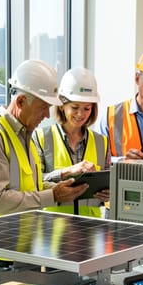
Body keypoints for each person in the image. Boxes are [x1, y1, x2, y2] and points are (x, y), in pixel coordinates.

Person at [0, 59, 88, 285]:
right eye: (42, 107)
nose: (47, 115)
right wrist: (53, 196)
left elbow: (29, 186)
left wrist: (63, 189)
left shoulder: (24, 136)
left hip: (19, 251)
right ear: (20, 101)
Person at [34, 67, 111, 217]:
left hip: (91, 226)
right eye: (75, 107)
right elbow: (34, 183)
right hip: (53, 226)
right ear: (62, 105)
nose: (81, 114)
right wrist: (66, 172)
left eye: (87, 108)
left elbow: (109, 182)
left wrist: (109, 193)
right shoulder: (41, 137)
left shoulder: (102, 142)